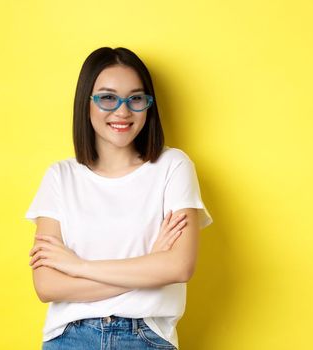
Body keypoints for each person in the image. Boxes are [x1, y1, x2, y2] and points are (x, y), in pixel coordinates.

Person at [24, 47, 213, 350]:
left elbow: (179, 267)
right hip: (68, 338)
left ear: (148, 105)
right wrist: (149, 266)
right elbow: (47, 286)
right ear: (86, 103)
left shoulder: (173, 167)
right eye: (107, 97)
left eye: (136, 98)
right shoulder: (60, 176)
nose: (123, 111)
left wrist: (78, 266)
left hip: (145, 337)